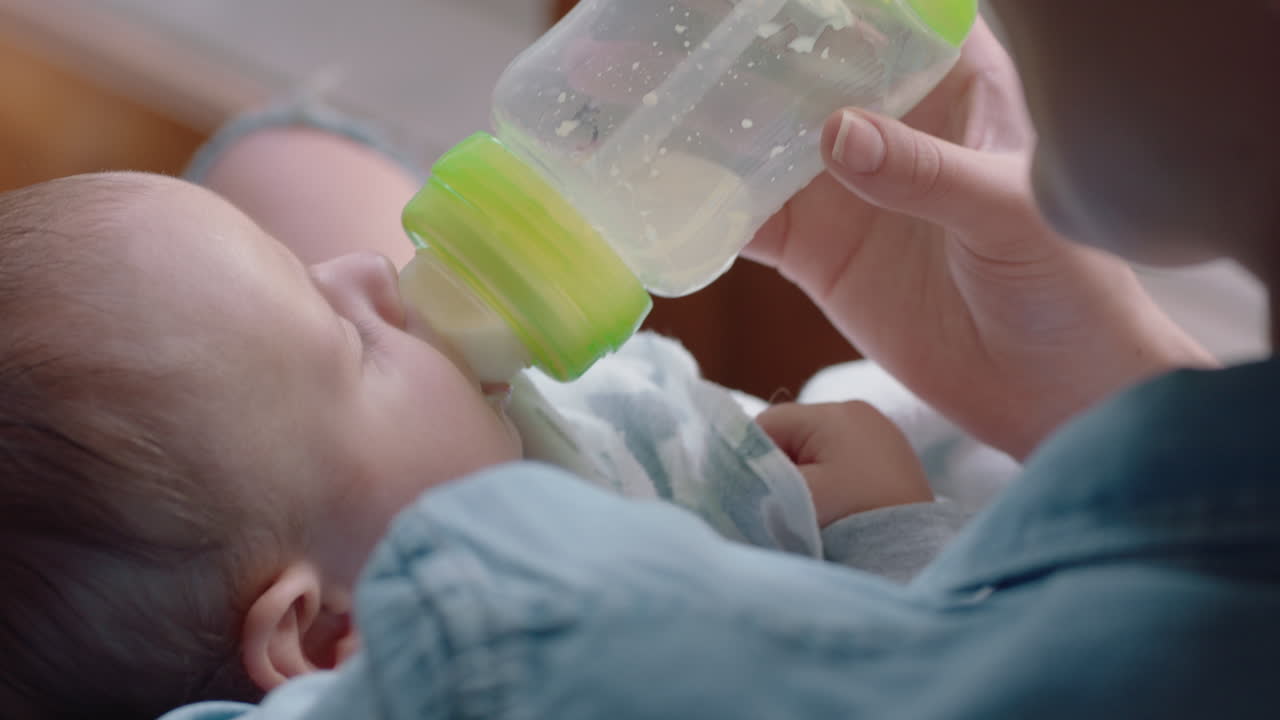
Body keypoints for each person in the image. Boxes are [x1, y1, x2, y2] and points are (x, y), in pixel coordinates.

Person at [162, 4, 1279, 718]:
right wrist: (1101, 386)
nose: (359, 272)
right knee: (288, 161)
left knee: (279, 171)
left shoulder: (513, 630)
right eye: (343, 325)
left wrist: (889, 542)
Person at [0, 86, 955, 720]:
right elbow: (935, 686)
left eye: (305, 268)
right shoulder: (568, 662)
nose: (372, 270)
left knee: (281, 153)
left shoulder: (414, 502)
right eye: (356, 346)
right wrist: (888, 534)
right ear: (329, 636)